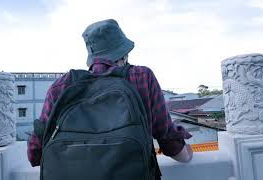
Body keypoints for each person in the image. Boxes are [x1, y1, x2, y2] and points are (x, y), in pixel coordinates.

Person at [27, 19, 193, 168]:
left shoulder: (60, 87)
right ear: (124, 54)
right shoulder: (142, 77)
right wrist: (188, 153)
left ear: (91, 55)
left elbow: (35, 154)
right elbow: (168, 141)